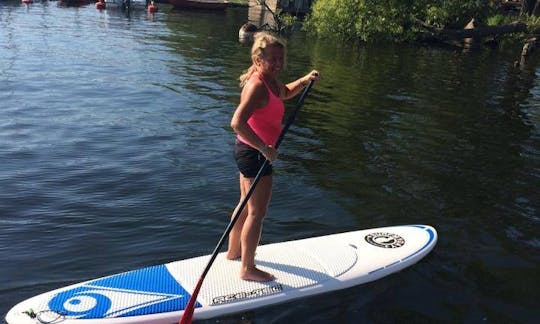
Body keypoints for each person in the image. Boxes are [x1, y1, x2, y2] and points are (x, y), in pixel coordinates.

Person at [227, 32, 320, 282]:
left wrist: (304, 81)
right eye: (273, 59)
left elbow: (285, 92)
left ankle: (234, 252)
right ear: (258, 59)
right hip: (254, 153)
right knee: (257, 212)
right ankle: (247, 268)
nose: (278, 64)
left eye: (281, 59)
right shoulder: (257, 85)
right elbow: (237, 122)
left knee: (246, 206)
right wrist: (264, 148)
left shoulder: (271, 81)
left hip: (249, 151)